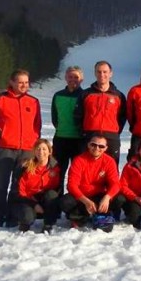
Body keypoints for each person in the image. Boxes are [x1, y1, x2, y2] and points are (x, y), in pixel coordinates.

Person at [0, 69, 41, 232]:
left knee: (18, 186)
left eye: (26, 82)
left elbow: (37, 126)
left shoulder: (33, 101)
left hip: (26, 150)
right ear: (12, 82)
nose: (24, 85)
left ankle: (12, 217)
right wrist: (1, 134)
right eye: (20, 82)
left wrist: (34, 142)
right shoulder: (0, 99)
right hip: (5, 149)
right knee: (1, 185)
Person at [60, 135, 125, 232]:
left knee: (120, 199)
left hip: (100, 196)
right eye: (93, 145)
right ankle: (82, 216)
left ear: (106, 148)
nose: (97, 148)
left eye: (101, 146)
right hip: (82, 197)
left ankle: (98, 214)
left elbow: (115, 184)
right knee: (64, 202)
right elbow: (72, 185)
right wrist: (85, 201)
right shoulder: (79, 160)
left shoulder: (109, 161)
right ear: (88, 145)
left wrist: (107, 197)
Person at [75, 61, 127, 163]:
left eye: (105, 72)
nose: (102, 75)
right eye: (99, 72)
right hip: (90, 136)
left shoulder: (119, 96)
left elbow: (123, 117)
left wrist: (114, 131)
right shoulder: (86, 94)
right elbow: (78, 115)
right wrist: (84, 132)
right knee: (87, 168)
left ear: (110, 73)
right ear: (95, 73)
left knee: (111, 169)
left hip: (111, 137)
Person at [8, 139, 60, 233]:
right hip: (25, 200)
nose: (41, 152)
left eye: (44, 149)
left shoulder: (55, 168)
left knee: (52, 195)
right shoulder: (25, 167)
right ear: (34, 151)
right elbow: (18, 192)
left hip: (43, 199)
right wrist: (34, 204)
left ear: (49, 152)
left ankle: (48, 223)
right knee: (28, 217)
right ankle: (24, 221)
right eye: (38, 149)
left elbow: (56, 188)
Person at [51, 65, 85, 193]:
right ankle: (56, 205)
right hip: (61, 139)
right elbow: (55, 118)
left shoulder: (85, 95)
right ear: (65, 78)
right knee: (58, 172)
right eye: (70, 77)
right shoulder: (58, 95)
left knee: (77, 175)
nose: (73, 79)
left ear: (81, 79)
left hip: (79, 141)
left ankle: (74, 205)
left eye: (76, 77)